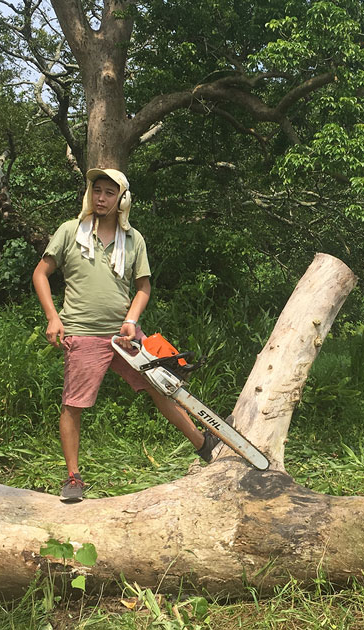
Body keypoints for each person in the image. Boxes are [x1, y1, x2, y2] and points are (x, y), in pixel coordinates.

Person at [32, 167, 216, 501]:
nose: (101, 198)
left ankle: (204, 444)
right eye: (97, 191)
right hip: (83, 334)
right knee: (73, 405)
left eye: (109, 193)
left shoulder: (133, 240)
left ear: (122, 199)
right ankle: (73, 478)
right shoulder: (70, 231)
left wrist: (132, 319)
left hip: (124, 336)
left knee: (163, 387)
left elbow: (143, 287)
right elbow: (41, 273)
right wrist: (52, 317)